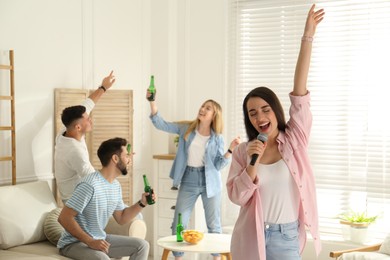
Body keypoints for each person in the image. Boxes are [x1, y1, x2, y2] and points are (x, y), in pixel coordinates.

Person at [226, 4, 325, 260]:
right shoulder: (241, 151)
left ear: (276, 111)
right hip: (250, 235)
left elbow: (300, 89)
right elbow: (237, 197)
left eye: (265, 109)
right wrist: (251, 164)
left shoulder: (294, 140)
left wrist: (308, 36)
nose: (260, 117)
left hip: (286, 236)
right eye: (252, 113)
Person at [147, 91, 240, 260]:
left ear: (214, 115)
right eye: (203, 106)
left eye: (208, 108)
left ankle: (216, 258)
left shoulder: (217, 138)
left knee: (213, 225)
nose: (203, 109)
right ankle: (178, 257)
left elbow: (218, 165)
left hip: (210, 182)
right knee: (178, 223)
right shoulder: (186, 129)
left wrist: (230, 150)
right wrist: (152, 102)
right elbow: (161, 124)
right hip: (189, 179)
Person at [57, 137, 152, 260]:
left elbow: (122, 218)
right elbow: (64, 218)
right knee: (102, 258)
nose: (130, 160)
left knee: (142, 246)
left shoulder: (115, 185)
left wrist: (142, 203)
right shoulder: (90, 184)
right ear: (115, 158)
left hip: (99, 238)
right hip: (73, 243)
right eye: (127, 155)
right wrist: (90, 241)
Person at [55, 71, 116, 203]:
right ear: (78, 127)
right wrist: (118, 162)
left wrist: (104, 87)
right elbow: (94, 180)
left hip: (81, 191)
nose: (91, 120)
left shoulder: (65, 130)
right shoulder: (75, 152)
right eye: (88, 119)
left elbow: (89, 103)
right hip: (75, 201)